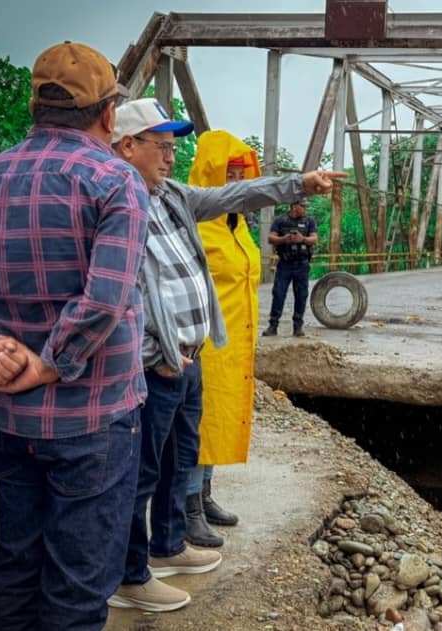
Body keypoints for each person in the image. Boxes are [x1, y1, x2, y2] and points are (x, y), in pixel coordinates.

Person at [108, 98, 346, 612]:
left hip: (188, 356)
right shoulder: (116, 200)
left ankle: (167, 545)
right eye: (161, 147)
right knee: (142, 469)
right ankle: (129, 575)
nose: (171, 157)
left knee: (179, 457)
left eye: (175, 148)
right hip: (157, 361)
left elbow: (236, 194)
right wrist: (159, 351)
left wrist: (300, 184)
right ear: (127, 146)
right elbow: (121, 289)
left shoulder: (170, 195)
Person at [0, 42, 148, 630]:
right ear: (108, 113)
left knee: (15, 561)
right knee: (78, 581)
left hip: (9, 417)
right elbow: (105, 299)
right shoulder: (115, 180)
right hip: (91, 415)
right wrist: (49, 363)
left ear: (35, 105)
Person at [183, 131, 264, 549]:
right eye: (229, 173)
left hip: (234, 342)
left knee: (218, 422)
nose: (237, 183)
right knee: (200, 425)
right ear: (211, 173)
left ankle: (205, 495)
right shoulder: (196, 222)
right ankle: (187, 508)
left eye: (242, 174)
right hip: (205, 344)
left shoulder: (236, 225)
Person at [263, 200, 318, 337]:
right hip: (285, 264)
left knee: (301, 296)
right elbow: (270, 238)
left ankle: (298, 327)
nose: (305, 208)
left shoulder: (309, 221)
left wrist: (302, 239)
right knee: (278, 294)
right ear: (294, 206)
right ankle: (273, 326)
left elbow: (314, 239)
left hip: (302, 264)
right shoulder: (280, 220)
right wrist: (284, 239)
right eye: (303, 206)